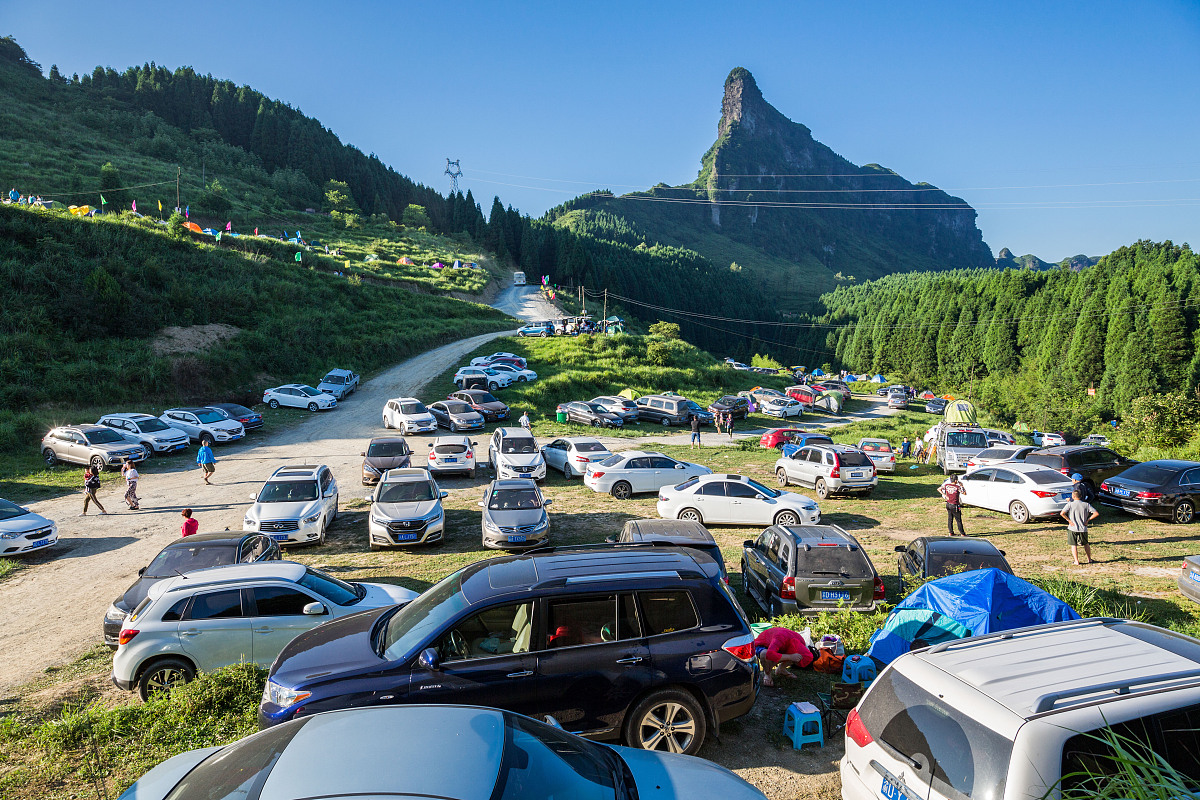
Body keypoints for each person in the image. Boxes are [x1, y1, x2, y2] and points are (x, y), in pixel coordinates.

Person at [1060, 487, 1098, 565]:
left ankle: (1076, 561)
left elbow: (1062, 513)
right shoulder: (1086, 504)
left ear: (1073, 496)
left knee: (1073, 545)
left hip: (1072, 528)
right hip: (1083, 528)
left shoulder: (1070, 504)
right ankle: (1089, 559)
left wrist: (1069, 520)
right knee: (1086, 544)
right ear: (1081, 496)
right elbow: (1096, 513)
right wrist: (1088, 520)